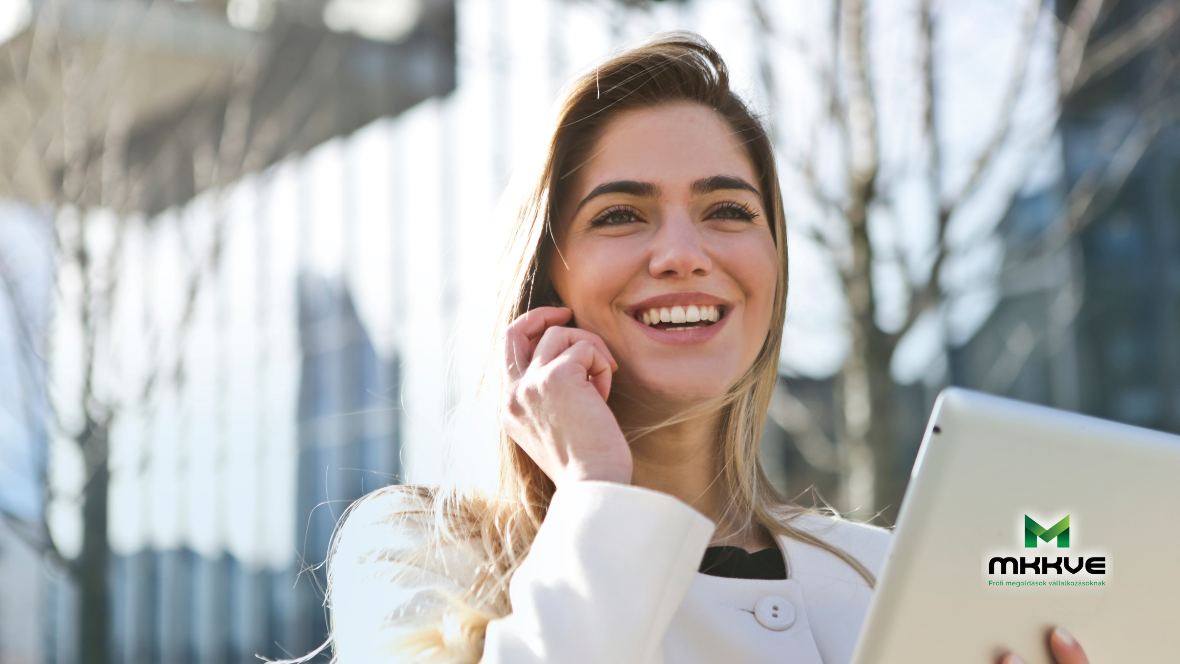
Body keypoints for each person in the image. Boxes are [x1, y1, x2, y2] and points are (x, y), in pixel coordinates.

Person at [324, 32, 1092, 664]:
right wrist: (597, 490)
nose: (683, 253)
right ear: (544, 278)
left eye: (728, 209)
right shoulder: (413, 555)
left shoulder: (883, 574)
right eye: (622, 215)